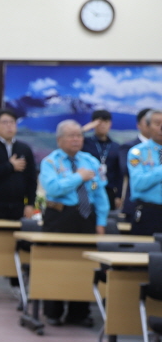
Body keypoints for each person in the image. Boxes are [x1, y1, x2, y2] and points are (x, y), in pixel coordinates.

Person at [39, 120, 108, 326]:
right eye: (71, 136)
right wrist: (78, 177)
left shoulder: (90, 161)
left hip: (87, 217)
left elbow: (100, 193)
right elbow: (53, 188)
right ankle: (54, 311)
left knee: (85, 264)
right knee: (57, 263)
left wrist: (102, 221)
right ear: (59, 140)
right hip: (59, 217)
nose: (76, 139)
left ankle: (79, 312)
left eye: (79, 135)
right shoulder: (50, 162)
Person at [0, 108, 37, 299]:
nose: (9, 126)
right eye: (5, 122)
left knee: (16, 244)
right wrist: (9, 166)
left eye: (12, 122)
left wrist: (30, 203)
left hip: (18, 206)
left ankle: (16, 283)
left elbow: (31, 179)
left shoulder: (24, 149)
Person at [127, 109, 162, 236]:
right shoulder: (137, 152)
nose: (161, 127)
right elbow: (138, 183)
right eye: (157, 123)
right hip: (149, 212)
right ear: (147, 126)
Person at [118, 107, 152, 216]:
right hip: (136, 204)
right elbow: (128, 171)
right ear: (139, 125)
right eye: (147, 122)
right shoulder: (130, 147)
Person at [82, 109, 121, 206]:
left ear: (110, 124)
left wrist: (119, 195)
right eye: (99, 122)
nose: (103, 125)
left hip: (109, 189)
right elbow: (71, 137)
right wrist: (85, 129)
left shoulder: (115, 146)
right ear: (93, 124)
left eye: (106, 122)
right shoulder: (85, 142)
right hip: (88, 188)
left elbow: (119, 173)